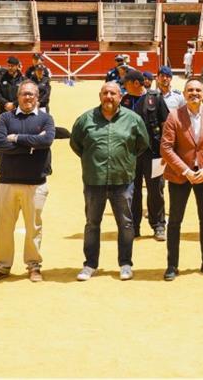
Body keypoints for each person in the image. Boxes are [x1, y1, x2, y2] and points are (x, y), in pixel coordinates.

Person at [69, 81, 150, 281]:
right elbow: (76, 144)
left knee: (126, 224)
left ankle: (125, 264)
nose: (109, 97)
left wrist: (124, 160)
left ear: (120, 97)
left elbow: (142, 144)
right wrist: (93, 160)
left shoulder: (133, 119)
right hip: (94, 180)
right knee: (92, 224)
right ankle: (90, 265)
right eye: (105, 93)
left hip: (122, 180)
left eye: (113, 94)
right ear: (100, 96)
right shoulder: (86, 119)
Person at [0, 81, 55, 284]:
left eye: (31, 95)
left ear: (37, 97)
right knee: (4, 226)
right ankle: (2, 266)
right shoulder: (6, 118)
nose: (28, 98)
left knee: (34, 227)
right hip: (8, 181)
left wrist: (15, 138)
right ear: (18, 97)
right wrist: (31, 144)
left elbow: (47, 141)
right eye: (24, 94)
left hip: (36, 182)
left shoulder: (46, 118)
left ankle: (34, 266)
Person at [160, 78, 203, 281]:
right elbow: (166, 148)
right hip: (181, 176)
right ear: (184, 93)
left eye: (198, 90)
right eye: (190, 90)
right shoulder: (174, 116)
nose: (194, 93)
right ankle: (172, 265)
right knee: (175, 221)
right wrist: (185, 171)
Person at [121, 71, 168, 240]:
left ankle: (158, 225)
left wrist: (165, 150)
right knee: (133, 191)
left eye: (125, 83)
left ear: (135, 83)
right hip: (131, 154)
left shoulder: (155, 98)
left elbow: (166, 124)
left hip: (153, 152)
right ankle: (134, 226)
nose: (123, 86)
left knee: (156, 190)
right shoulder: (125, 101)